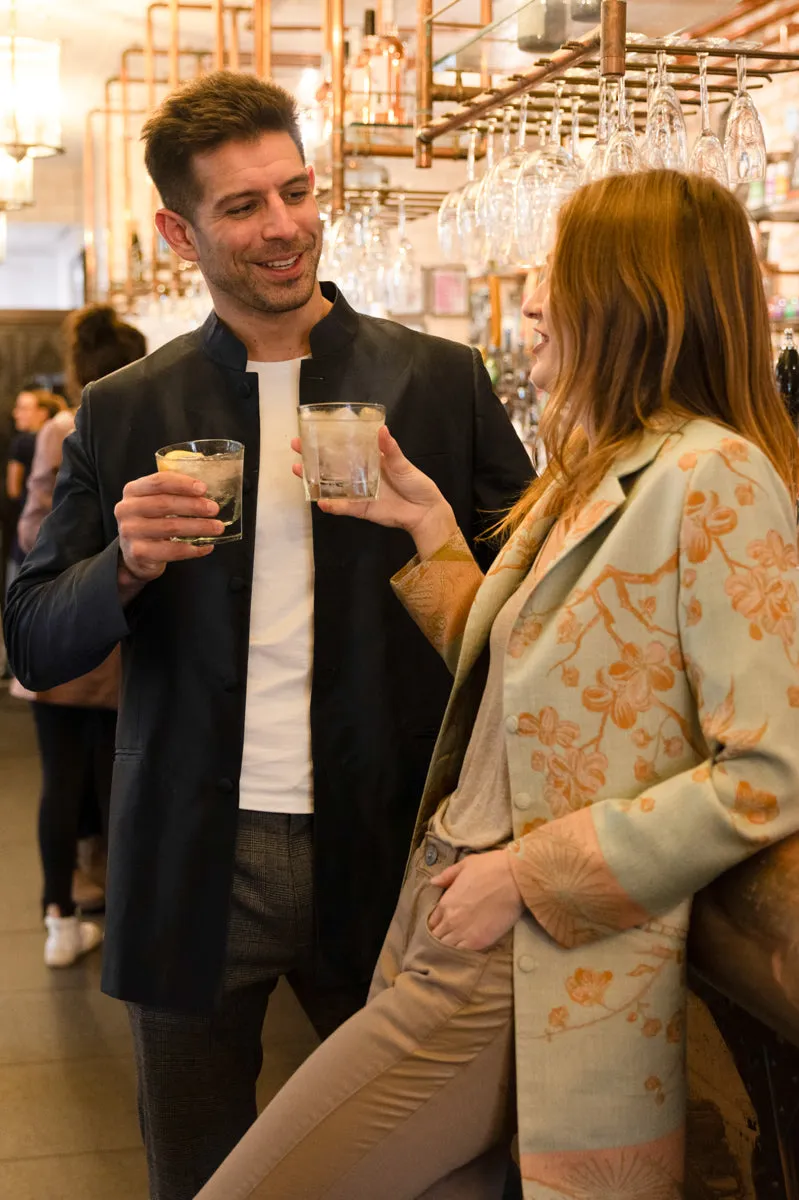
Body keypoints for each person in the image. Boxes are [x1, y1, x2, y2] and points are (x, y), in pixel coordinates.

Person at [190, 169, 799, 1200]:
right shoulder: (610, 462)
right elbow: (547, 680)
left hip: (524, 951)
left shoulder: (716, 476)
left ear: (629, 298)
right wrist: (427, 527)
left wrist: (526, 875)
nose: (526, 300)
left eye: (552, 275)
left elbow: (770, 770)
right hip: (454, 915)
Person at [3, 70, 531, 1200]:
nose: (284, 225)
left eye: (295, 190)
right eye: (242, 206)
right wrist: (125, 567)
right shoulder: (125, 409)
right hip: (196, 854)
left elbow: (533, 610)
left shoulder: (435, 380)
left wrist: (435, 531)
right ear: (177, 230)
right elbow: (35, 640)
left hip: (393, 840)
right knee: (195, 1171)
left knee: (429, 1167)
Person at [11, 306, 146, 967]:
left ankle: (62, 914)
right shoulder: (119, 422)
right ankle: (114, 910)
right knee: (111, 777)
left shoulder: (68, 426)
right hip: (106, 635)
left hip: (72, 628)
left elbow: (32, 531)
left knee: (65, 782)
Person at [3, 387, 62, 584]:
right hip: (55, 526)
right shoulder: (61, 436)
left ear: (42, 412)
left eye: (23, 408)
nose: (16, 413)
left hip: (28, 523)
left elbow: (13, 489)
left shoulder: (22, 442)